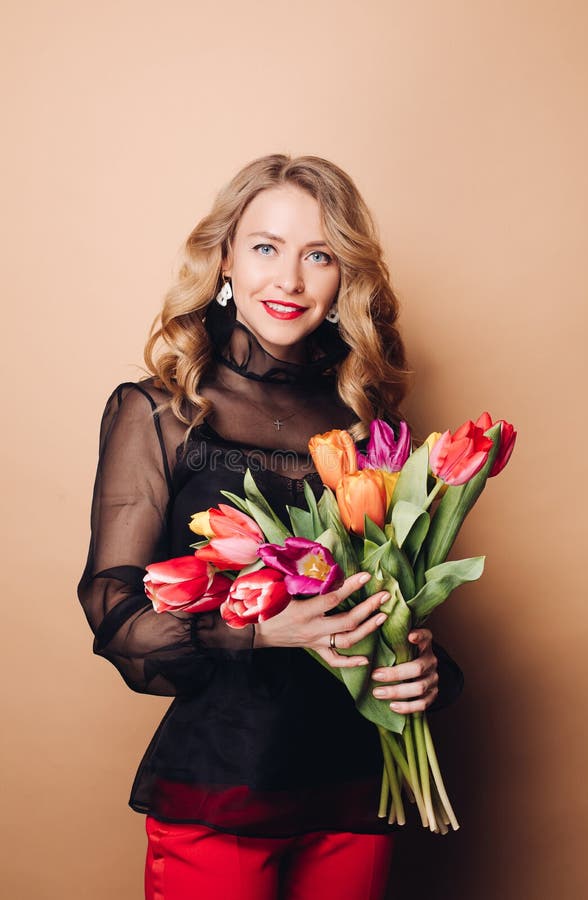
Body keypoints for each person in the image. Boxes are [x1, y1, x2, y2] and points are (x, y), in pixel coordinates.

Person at [77, 154, 464, 900]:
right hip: (222, 785)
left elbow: (389, 593)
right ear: (224, 257)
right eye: (265, 247)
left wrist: (422, 661)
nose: (288, 280)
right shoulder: (158, 412)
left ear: (343, 277)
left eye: (317, 255)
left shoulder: (367, 424)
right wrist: (259, 631)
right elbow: (113, 607)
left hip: (359, 788)